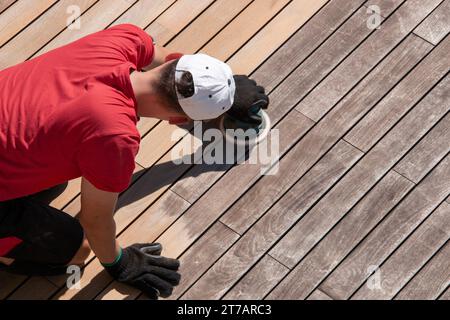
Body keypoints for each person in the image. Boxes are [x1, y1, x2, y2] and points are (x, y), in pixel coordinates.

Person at [0, 24, 268, 299]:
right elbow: (95, 220)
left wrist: (227, 89)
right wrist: (119, 262)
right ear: (178, 120)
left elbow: (170, 63)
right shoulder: (114, 137)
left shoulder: (123, 40)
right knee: (76, 251)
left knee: (54, 183)